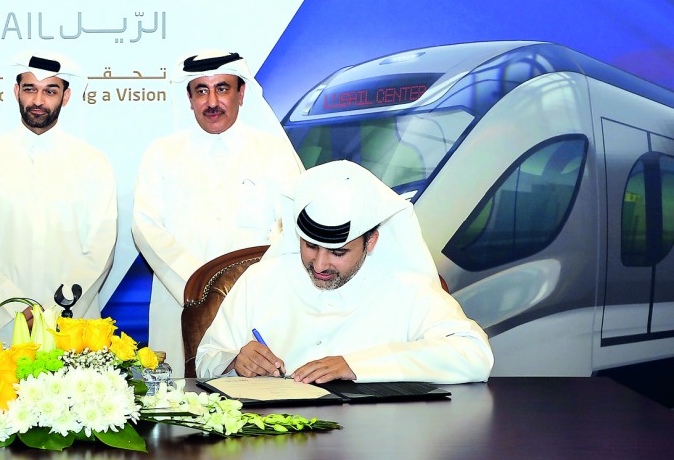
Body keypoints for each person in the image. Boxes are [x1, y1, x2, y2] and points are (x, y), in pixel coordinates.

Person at [196, 160, 493, 384]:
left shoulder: (406, 287)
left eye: (338, 253)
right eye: (310, 246)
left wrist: (355, 365)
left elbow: (474, 354)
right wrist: (234, 361)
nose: (320, 264)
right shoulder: (261, 279)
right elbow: (207, 357)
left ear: (371, 242)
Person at [133, 50, 303, 376]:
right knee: (182, 397)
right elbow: (146, 226)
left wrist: (242, 286)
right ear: (190, 98)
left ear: (241, 93)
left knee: (257, 395)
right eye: (202, 91)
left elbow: (290, 224)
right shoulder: (162, 154)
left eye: (222, 89)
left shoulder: (273, 152)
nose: (212, 102)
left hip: (255, 300)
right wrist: (201, 285)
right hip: (181, 298)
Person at [0, 52, 117, 343]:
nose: (38, 100)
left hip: (73, 320)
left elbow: (101, 246)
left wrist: (59, 306)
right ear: (16, 91)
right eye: (30, 89)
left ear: (66, 97)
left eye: (50, 91)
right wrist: (15, 304)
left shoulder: (93, 163)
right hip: (5, 319)